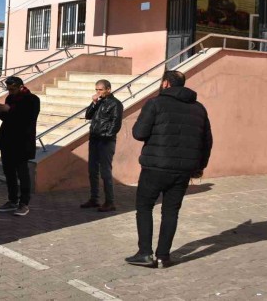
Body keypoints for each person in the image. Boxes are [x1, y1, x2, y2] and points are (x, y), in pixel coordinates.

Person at [126, 70, 213, 268]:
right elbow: (207, 141)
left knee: (144, 207)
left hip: (155, 167)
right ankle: (163, 257)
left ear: (166, 83)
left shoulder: (155, 103)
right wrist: (200, 166)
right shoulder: (199, 108)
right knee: (171, 212)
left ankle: (145, 253)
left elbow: (139, 133)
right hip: (183, 170)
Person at [0, 76, 40, 217]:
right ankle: (12, 200)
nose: (10, 92)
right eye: (8, 89)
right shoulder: (10, 98)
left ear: (20, 87)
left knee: (22, 173)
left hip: (22, 142)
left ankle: (24, 203)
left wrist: (9, 109)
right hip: (8, 141)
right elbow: (7, 118)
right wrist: (1, 110)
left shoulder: (32, 99)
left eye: (12, 89)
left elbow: (28, 118)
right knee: (9, 173)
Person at [81, 79, 124, 212]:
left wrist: (105, 136)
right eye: (96, 90)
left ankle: (110, 202)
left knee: (105, 172)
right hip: (94, 140)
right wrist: (93, 103)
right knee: (92, 170)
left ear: (108, 89)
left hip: (106, 141)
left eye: (100, 89)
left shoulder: (115, 104)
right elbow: (88, 115)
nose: (98, 92)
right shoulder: (98, 102)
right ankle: (94, 199)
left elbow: (116, 124)